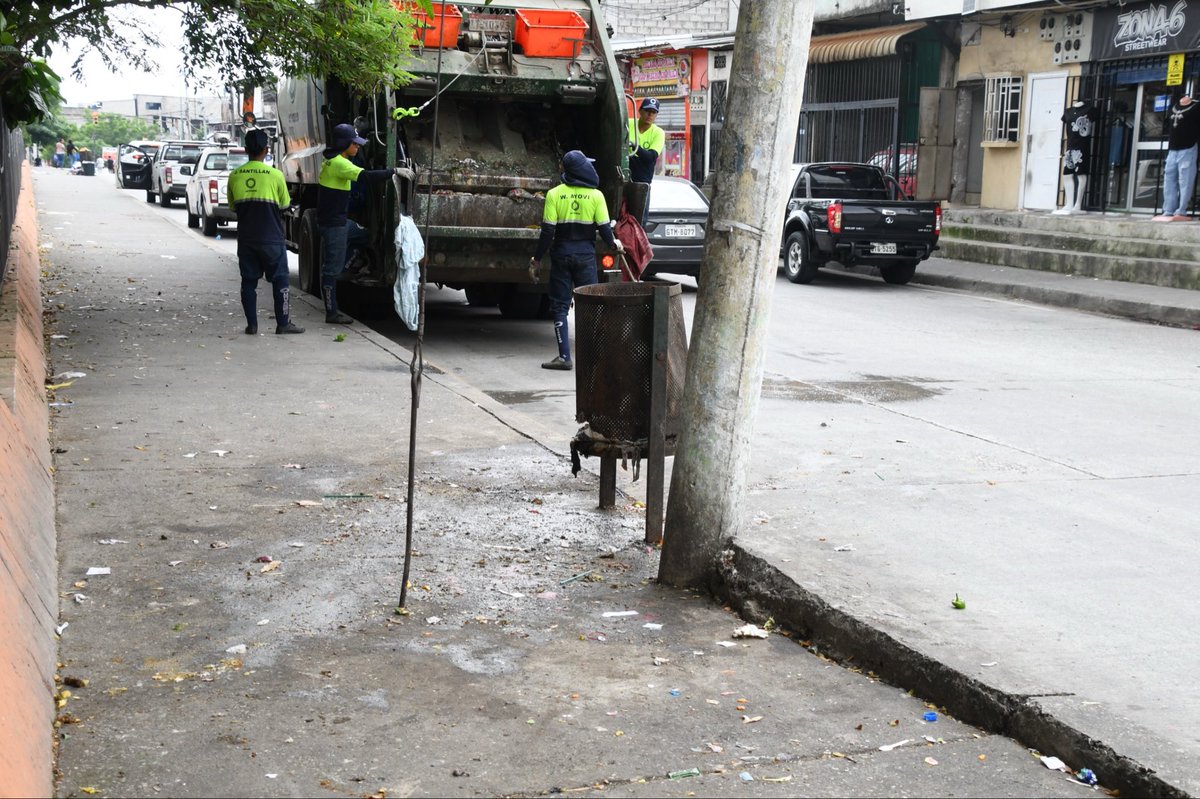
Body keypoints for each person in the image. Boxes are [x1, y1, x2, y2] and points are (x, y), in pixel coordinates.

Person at [530, 150, 623, 371]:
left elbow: (547, 233)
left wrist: (537, 258)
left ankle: (564, 357)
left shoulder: (554, 194)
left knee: (560, 305)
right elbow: (604, 229)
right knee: (589, 304)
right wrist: (614, 245)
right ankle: (593, 357)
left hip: (561, 255)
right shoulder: (596, 196)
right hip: (585, 257)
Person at [317, 123, 400, 324]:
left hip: (341, 221)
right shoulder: (339, 164)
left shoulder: (333, 160)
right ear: (345, 143)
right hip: (334, 225)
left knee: (366, 235)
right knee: (331, 270)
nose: (358, 147)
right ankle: (331, 312)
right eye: (355, 144)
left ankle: (353, 263)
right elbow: (366, 177)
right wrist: (394, 172)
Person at [227, 129, 304, 335]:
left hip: (246, 239)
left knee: (249, 282)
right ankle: (283, 323)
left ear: (245, 150)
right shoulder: (276, 175)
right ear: (266, 149)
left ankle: (252, 325)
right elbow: (284, 204)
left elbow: (233, 207)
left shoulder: (234, 176)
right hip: (271, 239)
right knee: (280, 280)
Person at [1153, 93, 1200, 221]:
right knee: (1169, 179)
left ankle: (1181, 210)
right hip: (1173, 149)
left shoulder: (1196, 107)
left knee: (1185, 180)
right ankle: (1168, 209)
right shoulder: (1173, 106)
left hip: (1188, 148)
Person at [1053, 100, 1099, 215]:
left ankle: (1078, 203)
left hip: (1082, 147)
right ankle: (1069, 203)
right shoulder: (1068, 112)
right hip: (1070, 146)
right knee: (1067, 174)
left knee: (1081, 174)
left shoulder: (1089, 110)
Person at [628, 97, 665, 224]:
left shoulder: (658, 133)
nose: (650, 114)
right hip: (624, 178)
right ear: (640, 111)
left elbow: (650, 157)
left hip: (642, 183)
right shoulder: (628, 123)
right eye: (647, 111)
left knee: (639, 222)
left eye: (653, 112)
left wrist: (634, 146)